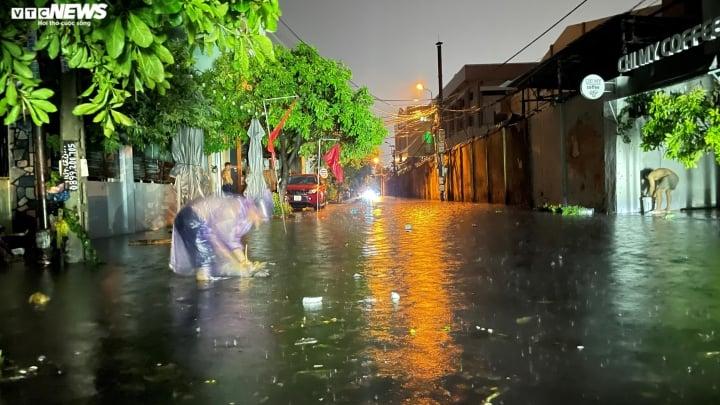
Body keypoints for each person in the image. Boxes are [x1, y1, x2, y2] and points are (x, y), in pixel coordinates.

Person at [170, 194, 271, 281]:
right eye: (260, 217)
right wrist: (236, 263)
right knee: (205, 264)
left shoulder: (245, 214)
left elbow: (232, 240)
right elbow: (216, 239)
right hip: (192, 218)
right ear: (254, 209)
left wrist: (244, 262)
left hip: (197, 222)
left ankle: (202, 289)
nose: (260, 221)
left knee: (209, 263)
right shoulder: (234, 209)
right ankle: (202, 296)